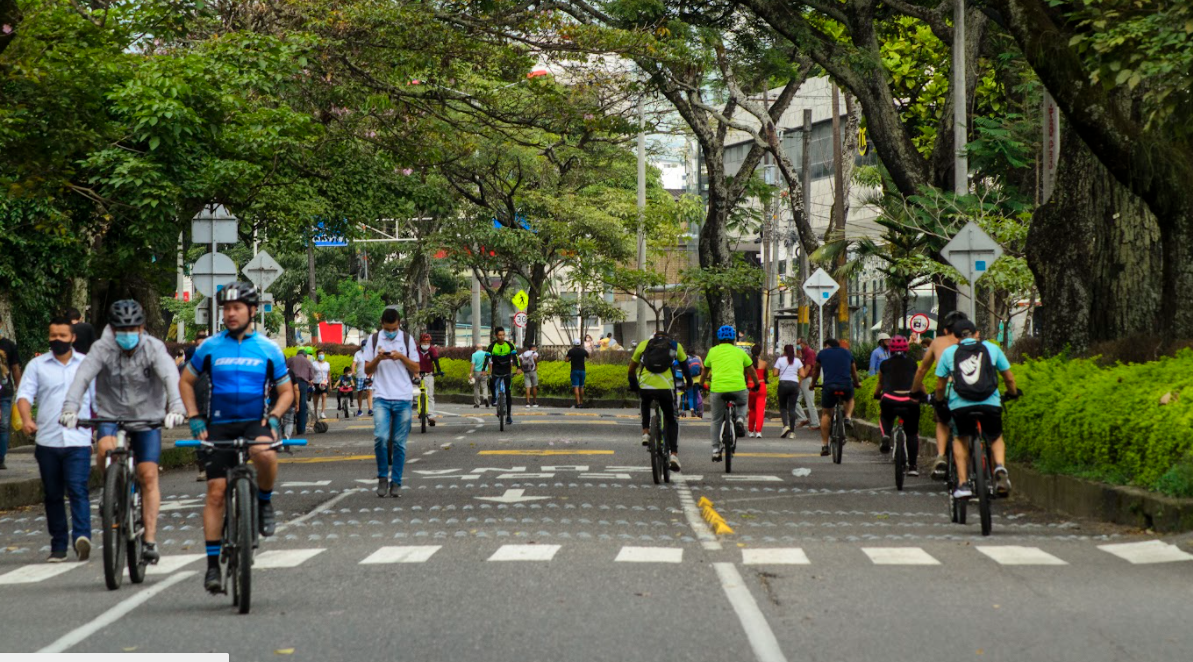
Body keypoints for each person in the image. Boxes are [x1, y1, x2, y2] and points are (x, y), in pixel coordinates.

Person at [179, 282, 293, 593]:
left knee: (266, 453)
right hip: (218, 425)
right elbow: (186, 382)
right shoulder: (210, 347)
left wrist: (273, 418)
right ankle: (213, 565)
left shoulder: (269, 349)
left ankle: (264, 503)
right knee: (216, 492)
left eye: (237, 308)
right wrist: (194, 417)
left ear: (252, 311)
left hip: (256, 422)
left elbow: (286, 392)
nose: (230, 314)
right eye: (226, 308)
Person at [59, 300, 187, 565]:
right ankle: (112, 490)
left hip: (147, 417)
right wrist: (70, 408)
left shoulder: (154, 348)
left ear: (141, 327)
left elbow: (170, 377)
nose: (127, 334)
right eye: (121, 329)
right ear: (112, 328)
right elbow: (82, 378)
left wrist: (175, 407)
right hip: (110, 415)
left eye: (133, 328)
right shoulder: (102, 348)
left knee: (148, 475)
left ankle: (149, 540)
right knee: (105, 449)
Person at [16, 316, 94, 562]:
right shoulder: (37, 366)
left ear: (73, 338)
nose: (57, 340)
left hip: (79, 440)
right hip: (47, 440)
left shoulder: (87, 365)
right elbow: (25, 395)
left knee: (78, 489)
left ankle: (82, 537)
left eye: (62, 336)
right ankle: (58, 545)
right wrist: (27, 419)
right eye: (53, 336)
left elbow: (100, 399)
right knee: (52, 494)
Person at [934, 319, 1020, 498]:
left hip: (960, 407)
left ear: (956, 337)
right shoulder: (992, 349)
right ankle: (999, 467)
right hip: (990, 404)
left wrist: (940, 401)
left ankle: (964, 484)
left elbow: (940, 386)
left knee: (960, 438)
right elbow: (1009, 378)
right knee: (995, 436)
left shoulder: (950, 352)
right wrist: (1012, 393)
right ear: (976, 334)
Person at [363, 306, 421, 498]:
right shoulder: (373, 340)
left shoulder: (406, 339)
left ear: (399, 324)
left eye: (393, 328)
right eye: (387, 329)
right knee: (380, 437)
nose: (390, 332)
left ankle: (396, 481)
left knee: (399, 443)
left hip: (403, 397)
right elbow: (367, 370)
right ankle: (382, 477)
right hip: (381, 397)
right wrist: (379, 358)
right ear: (382, 325)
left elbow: (416, 367)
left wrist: (401, 356)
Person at [912, 310, 968, 479]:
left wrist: (914, 391)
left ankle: (941, 455)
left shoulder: (938, 342)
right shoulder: (975, 342)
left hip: (949, 389)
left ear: (945, 329)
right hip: (975, 389)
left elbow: (922, 369)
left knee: (942, 418)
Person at [629, 330, 689, 471]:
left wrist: (633, 385)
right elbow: (685, 367)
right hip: (666, 387)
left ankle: (645, 432)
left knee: (644, 402)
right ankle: (674, 454)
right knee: (672, 419)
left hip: (646, 385)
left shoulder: (644, 345)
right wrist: (690, 384)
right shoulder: (674, 346)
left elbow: (631, 370)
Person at [702, 326, 760, 462]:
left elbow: (704, 370)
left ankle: (716, 450)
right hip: (738, 388)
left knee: (716, 420)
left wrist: (700, 384)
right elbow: (751, 370)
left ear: (719, 338)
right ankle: (740, 419)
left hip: (717, 389)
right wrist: (756, 384)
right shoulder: (739, 352)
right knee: (743, 401)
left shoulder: (712, 352)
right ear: (733, 339)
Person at [873, 335, 922, 476]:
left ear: (890, 349)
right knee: (912, 434)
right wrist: (923, 395)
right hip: (909, 401)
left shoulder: (884, 365)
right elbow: (919, 383)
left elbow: (880, 384)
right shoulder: (913, 363)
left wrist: (877, 394)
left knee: (886, 416)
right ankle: (913, 467)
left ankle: (887, 435)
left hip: (890, 399)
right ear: (906, 349)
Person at [810, 338, 861, 457]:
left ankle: (824, 445)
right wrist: (857, 383)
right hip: (846, 385)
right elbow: (853, 371)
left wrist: (813, 384)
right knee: (849, 399)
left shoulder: (822, 353)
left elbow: (816, 370)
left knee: (826, 414)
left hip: (829, 386)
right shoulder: (847, 352)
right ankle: (848, 417)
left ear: (827, 345)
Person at [483, 327, 520, 424]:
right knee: (491, 382)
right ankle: (494, 398)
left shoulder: (510, 345)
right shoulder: (491, 346)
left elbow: (515, 357)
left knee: (508, 394)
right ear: (496, 336)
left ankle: (508, 416)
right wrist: (483, 369)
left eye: (503, 335)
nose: (502, 337)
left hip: (507, 371)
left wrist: (518, 367)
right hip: (496, 370)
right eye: (500, 335)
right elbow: (486, 358)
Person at [0, 318, 22, 471]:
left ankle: (0, 458)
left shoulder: (9, 345)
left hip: (5, 392)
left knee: (3, 425)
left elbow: (15, 368)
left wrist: (20, 388)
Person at [774, 344, 809, 438]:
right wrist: (795, 372)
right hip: (794, 385)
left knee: (783, 407)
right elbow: (803, 374)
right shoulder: (797, 361)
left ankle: (785, 426)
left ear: (784, 351)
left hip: (783, 384)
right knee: (792, 408)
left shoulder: (780, 360)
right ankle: (792, 432)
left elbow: (774, 373)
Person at [416, 332, 443, 424]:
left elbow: (435, 360)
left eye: (428, 342)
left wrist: (439, 371)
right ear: (420, 342)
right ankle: (420, 410)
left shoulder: (432, 350)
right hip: (417, 374)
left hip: (428, 374)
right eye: (424, 342)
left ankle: (430, 415)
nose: (426, 344)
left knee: (430, 395)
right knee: (416, 394)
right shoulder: (415, 350)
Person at [286, 348, 314, 434]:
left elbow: (284, 369)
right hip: (303, 384)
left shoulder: (291, 359)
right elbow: (311, 376)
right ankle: (301, 429)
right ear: (305, 355)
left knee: (289, 403)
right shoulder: (308, 362)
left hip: (291, 382)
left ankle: (287, 426)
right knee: (302, 405)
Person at [747, 344, 768, 438]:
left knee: (752, 410)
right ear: (760, 353)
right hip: (761, 386)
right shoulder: (764, 363)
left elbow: (744, 375)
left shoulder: (747, 363)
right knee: (760, 410)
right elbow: (766, 376)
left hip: (751, 387)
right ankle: (758, 431)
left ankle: (750, 431)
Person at [797, 338, 819, 430]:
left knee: (810, 402)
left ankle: (816, 423)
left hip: (807, 379)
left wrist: (801, 379)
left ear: (803, 343)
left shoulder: (809, 352)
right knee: (794, 400)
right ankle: (803, 418)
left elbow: (808, 367)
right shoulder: (804, 353)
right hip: (804, 379)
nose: (797, 345)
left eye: (798, 344)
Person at [566, 338, 589, 407]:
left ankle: (578, 403)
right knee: (581, 386)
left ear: (574, 344)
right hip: (582, 370)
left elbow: (566, 360)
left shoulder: (571, 351)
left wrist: (570, 359)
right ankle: (581, 402)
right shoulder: (583, 351)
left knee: (576, 387)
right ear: (580, 344)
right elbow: (588, 356)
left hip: (574, 370)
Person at [351, 344, 373, 417]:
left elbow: (374, 364)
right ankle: (360, 410)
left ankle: (370, 409)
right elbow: (354, 363)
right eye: (363, 345)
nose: (364, 347)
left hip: (368, 376)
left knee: (369, 392)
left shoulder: (371, 353)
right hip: (360, 376)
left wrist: (371, 374)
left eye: (365, 345)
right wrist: (353, 371)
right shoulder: (357, 353)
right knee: (360, 393)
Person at [311, 349, 332, 421]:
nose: (321, 355)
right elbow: (311, 373)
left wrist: (330, 384)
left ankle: (323, 412)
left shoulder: (327, 364)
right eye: (320, 354)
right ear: (317, 355)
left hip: (324, 383)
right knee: (316, 399)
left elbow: (329, 375)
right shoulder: (314, 364)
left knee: (324, 396)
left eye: (322, 354)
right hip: (316, 382)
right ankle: (315, 411)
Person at [684, 353, 704, 418]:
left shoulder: (686, 358)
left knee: (690, 396)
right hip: (697, 380)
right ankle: (695, 412)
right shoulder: (698, 358)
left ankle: (691, 408)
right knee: (695, 396)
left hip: (689, 380)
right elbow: (702, 367)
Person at [520, 342, 540, 407]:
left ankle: (527, 402)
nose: (536, 348)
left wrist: (521, 366)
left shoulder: (523, 353)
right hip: (533, 371)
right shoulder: (534, 353)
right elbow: (534, 358)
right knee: (534, 386)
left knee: (528, 387)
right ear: (532, 348)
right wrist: (536, 365)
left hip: (526, 371)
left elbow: (519, 358)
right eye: (535, 347)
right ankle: (534, 402)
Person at [469, 344, 489, 408]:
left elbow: (473, 364)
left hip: (476, 372)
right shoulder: (486, 354)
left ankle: (477, 403)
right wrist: (490, 372)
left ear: (476, 348)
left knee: (476, 387)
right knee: (484, 387)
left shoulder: (474, 355)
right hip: (484, 372)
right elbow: (490, 363)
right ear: (482, 348)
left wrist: (470, 373)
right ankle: (485, 397)